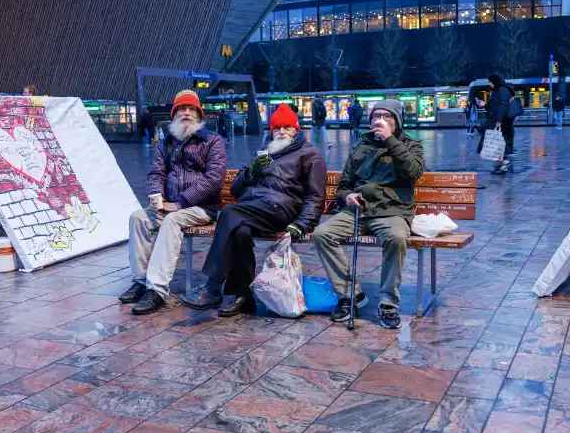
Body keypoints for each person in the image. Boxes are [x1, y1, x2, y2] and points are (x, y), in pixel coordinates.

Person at [180, 104, 325, 316]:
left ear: (296, 129)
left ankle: (212, 286)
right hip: (253, 208)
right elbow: (236, 190)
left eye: (287, 127)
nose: (281, 132)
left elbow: (316, 195)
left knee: (229, 213)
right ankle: (242, 296)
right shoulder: (265, 151)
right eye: (277, 128)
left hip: (281, 209)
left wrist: (303, 224)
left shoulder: (309, 154)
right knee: (240, 231)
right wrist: (251, 171)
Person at [313, 100, 423, 329]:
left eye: (386, 116)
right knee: (323, 234)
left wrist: (390, 140)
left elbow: (413, 172)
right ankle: (350, 295)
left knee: (396, 237)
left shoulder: (411, 145)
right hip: (359, 209)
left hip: (391, 211)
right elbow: (344, 185)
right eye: (376, 116)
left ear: (397, 121)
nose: (379, 120)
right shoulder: (360, 146)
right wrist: (347, 197)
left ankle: (388, 304)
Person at [119, 90, 226, 315]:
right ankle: (140, 281)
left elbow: (214, 179)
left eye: (191, 110)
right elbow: (155, 173)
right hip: (170, 204)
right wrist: (156, 193)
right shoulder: (166, 143)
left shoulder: (213, 141)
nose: (186, 113)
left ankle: (156, 289)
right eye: (182, 109)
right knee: (138, 217)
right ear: (174, 114)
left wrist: (180, 202)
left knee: (173, 221)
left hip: (200, 207)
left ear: (199, 115)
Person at [484, 74, 516, 174]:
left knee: (497, 144)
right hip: (498, 121)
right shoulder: (498, 91)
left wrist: (499, 121)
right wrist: (484, 105)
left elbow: (502, 106)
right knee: (497, 145)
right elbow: (493, 106)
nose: (489, 84)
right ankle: (502, 165)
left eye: (490, 82)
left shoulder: (502, 91)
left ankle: (503, 164)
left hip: (501, 122)